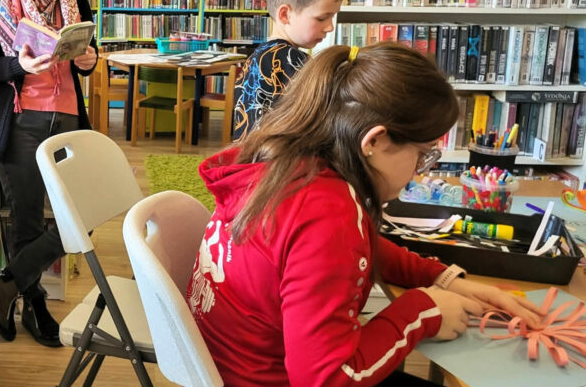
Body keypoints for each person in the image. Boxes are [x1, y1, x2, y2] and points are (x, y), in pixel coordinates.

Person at [188, 43, 546, 387]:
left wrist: (444, 278)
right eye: (422, 155)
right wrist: (424, 311)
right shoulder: (328, 215)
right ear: (373, 141)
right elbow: (325, 379)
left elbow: (332, 253)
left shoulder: (284, 163)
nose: (420, 172)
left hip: (233, 370)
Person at [0, 0, 98, 347]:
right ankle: (35, 305)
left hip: (66, 121)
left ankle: (3, 284)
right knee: (25, 219)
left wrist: (89, 61)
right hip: (20, 120)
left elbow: (88, 50)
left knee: (84, 214)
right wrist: (18, 66)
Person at [231, 0, 348, 141]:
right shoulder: (292, 61)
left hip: (247, 161)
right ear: (285, 15)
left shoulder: (255, 57)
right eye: (322, 18)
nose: (330, 27)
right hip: (278, 165)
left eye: (332, 17)